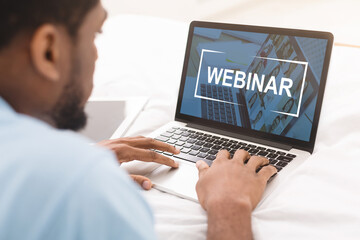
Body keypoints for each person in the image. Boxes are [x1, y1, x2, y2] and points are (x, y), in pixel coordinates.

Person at [0, 0, 277, 240]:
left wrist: (66, 165)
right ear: (48, 50)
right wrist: (229, 203)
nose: (96, 54)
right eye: (95, 34)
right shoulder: (84, 188)